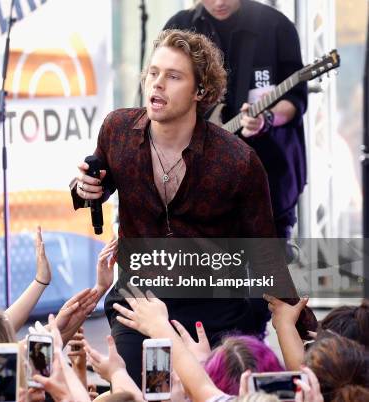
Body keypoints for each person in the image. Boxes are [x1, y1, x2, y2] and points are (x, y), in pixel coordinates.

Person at [70, 29, 314, 386]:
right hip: (141, 299)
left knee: (209, 390)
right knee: (137, 390)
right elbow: (98, 179)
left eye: (173, 77)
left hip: (212, 308)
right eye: (153, 73)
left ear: (201, 91)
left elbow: (265, 256)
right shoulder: (117, 130)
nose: (157, 84)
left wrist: (310, 335)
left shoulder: (237, 162)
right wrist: (83, 188)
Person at [164, 0, 308, 241]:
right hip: (203, 191)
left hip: (269, 182)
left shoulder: (276, 26)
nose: (219, 3)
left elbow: (296, 100)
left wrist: (268, 118)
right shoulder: (180, 28)